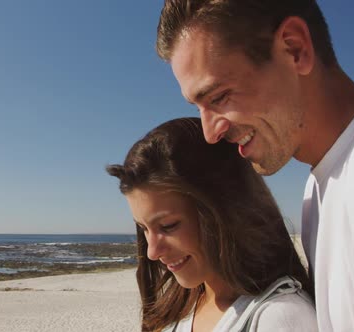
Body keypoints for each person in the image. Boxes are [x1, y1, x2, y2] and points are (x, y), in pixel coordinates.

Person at [155, 1, 354, 331]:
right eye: (198, 106)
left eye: (219, 97)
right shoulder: (321, 188)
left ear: (294, 49)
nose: (210, 133)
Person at [107, 117, 316, 331]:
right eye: (144, 228)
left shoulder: (278, 318)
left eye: (168, 226)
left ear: (226, 211)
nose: (152, 252)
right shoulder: (178, 307)